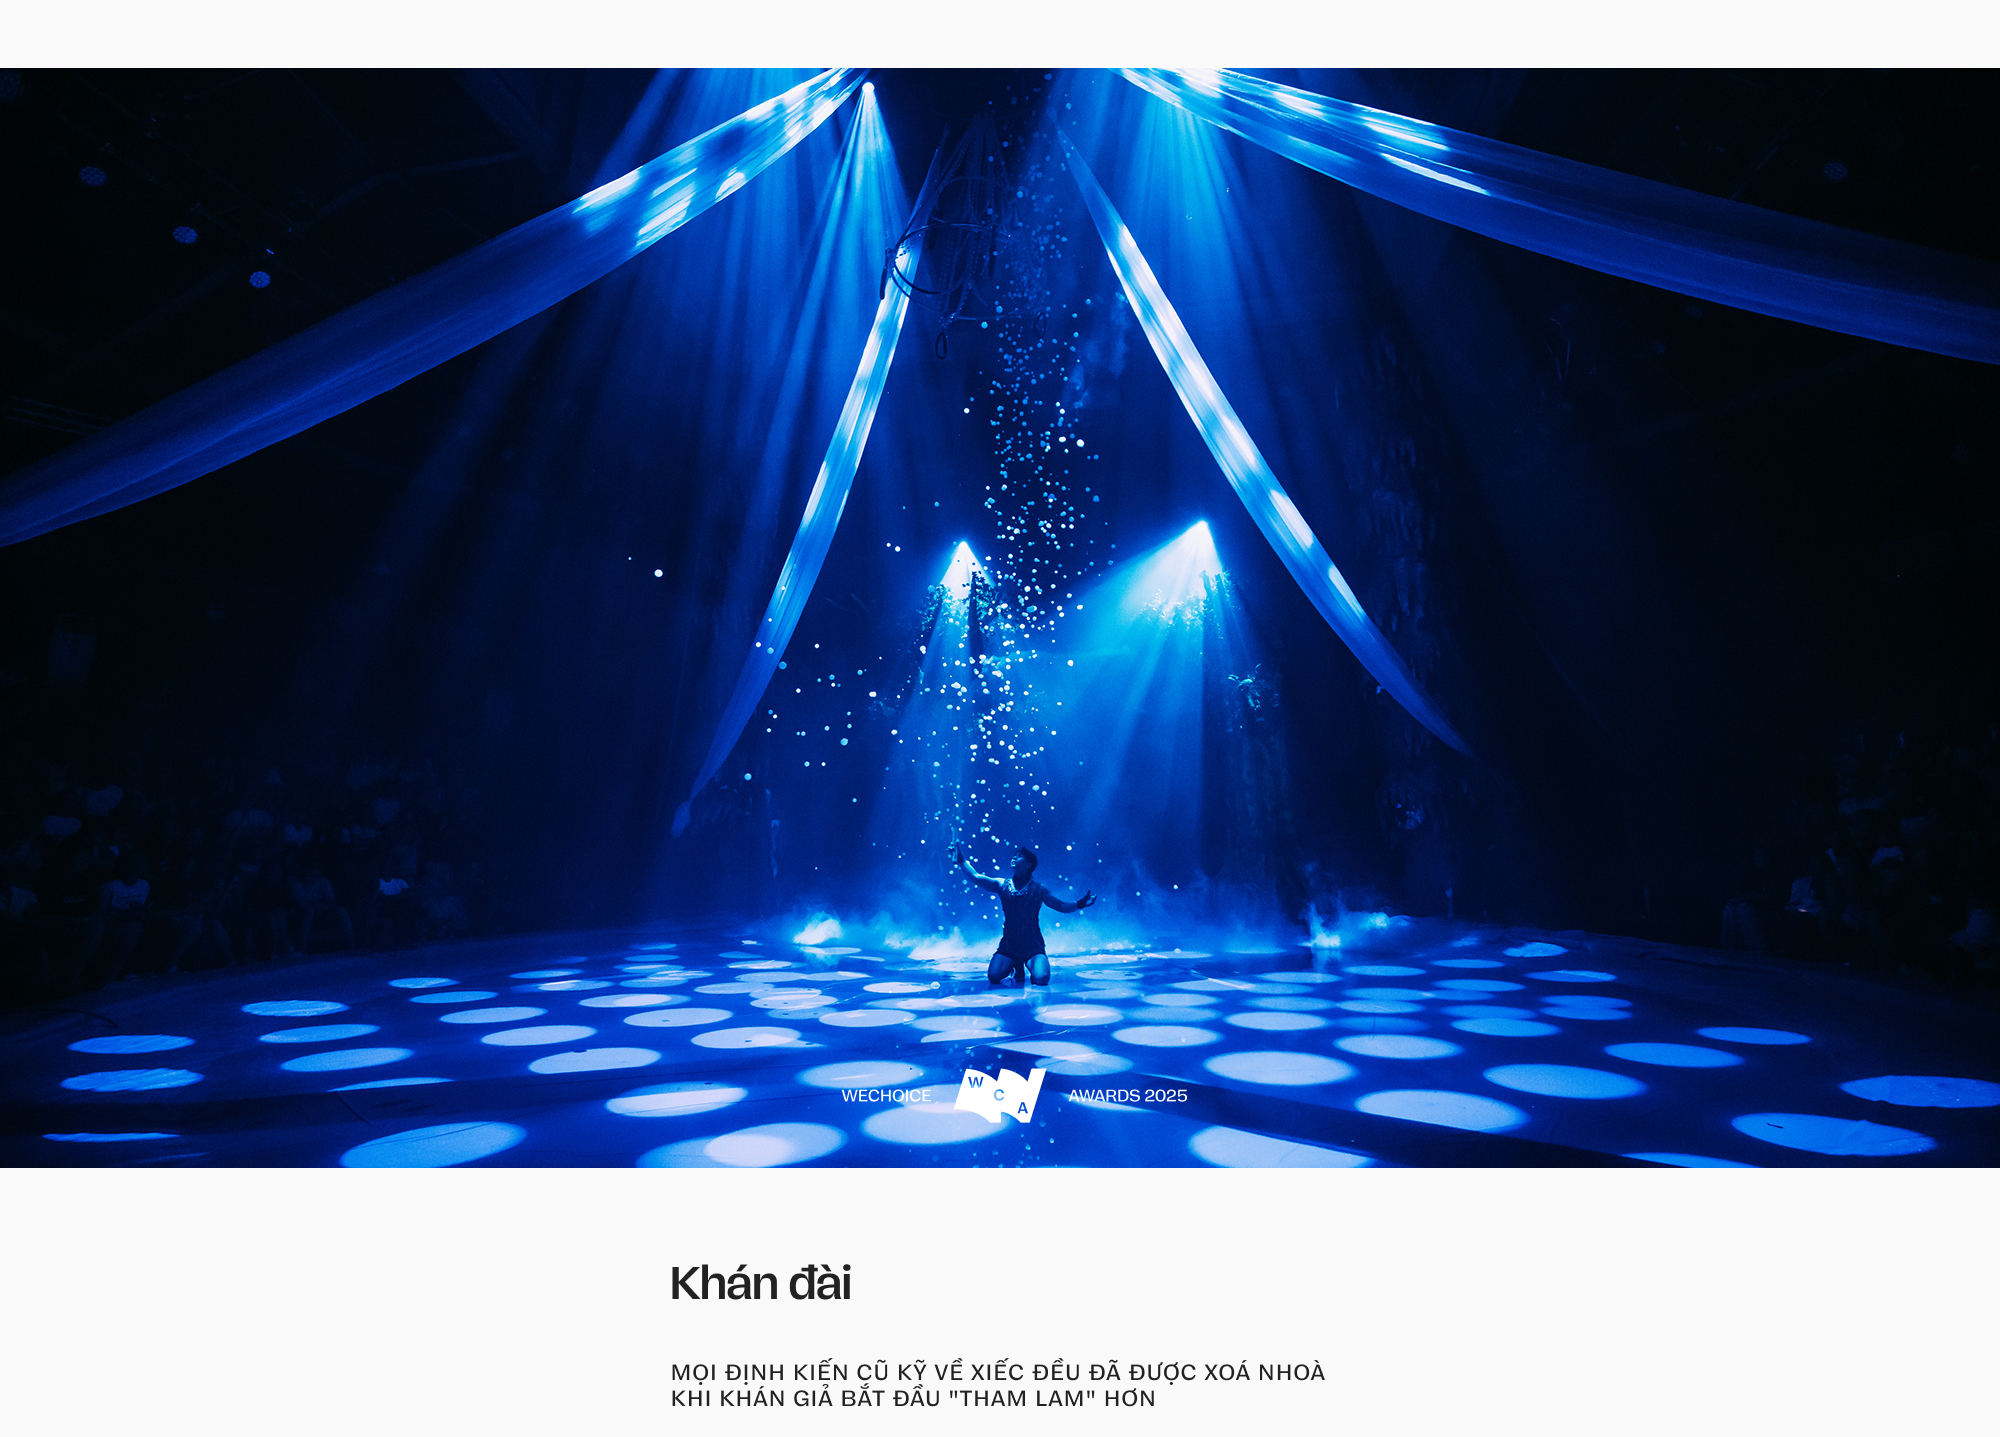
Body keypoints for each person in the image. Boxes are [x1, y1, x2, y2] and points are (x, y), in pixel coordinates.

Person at [954, 843, 1096, 987]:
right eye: (1014, 855)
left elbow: (1060, 905)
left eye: (1019, 856)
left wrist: (1081, 903)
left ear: (1028, 865)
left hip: (1032, 946)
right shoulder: (1002, 885)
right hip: (1009, 945)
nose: (1014, 857)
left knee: (1042, 979)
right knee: (994, 976)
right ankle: (1016, 964)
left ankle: (1030, 964)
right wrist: (961, 860)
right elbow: (976, 877)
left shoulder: (1039, 889)